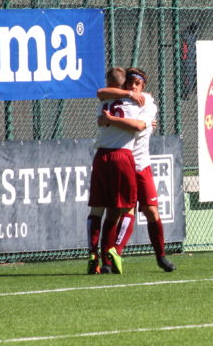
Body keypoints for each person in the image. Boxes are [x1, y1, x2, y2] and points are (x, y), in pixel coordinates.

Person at [98, 67, 176, 272]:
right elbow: (102, 94)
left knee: (151, 210)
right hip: (124, 161)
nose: (133, 86)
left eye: (137, 84)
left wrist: (111, 120)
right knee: (117, 210)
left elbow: (139, 125)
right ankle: (109, 258)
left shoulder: (148, 102)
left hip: (141, 163)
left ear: (143, 86)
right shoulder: (123, 99)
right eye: (130, 83)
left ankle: (161, 256)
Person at [87, 67, 146, 275]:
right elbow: (139, 125)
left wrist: (108, 119)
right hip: (122, 155)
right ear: (125, 84)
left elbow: (101, 94)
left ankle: (93, 254)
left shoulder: (103, 102)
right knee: (122, 208)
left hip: (101, 156)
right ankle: (111, 252)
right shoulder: (137, 100)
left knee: (97, 208)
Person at [181, 23, 198, 100]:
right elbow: (185, 48)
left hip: (192, 58)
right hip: (188, 59)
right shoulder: (186, 36)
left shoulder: (193, 36)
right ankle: (185, 93)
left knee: (191, 76)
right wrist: (185, 57)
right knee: (187, 76)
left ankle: (189, 91)